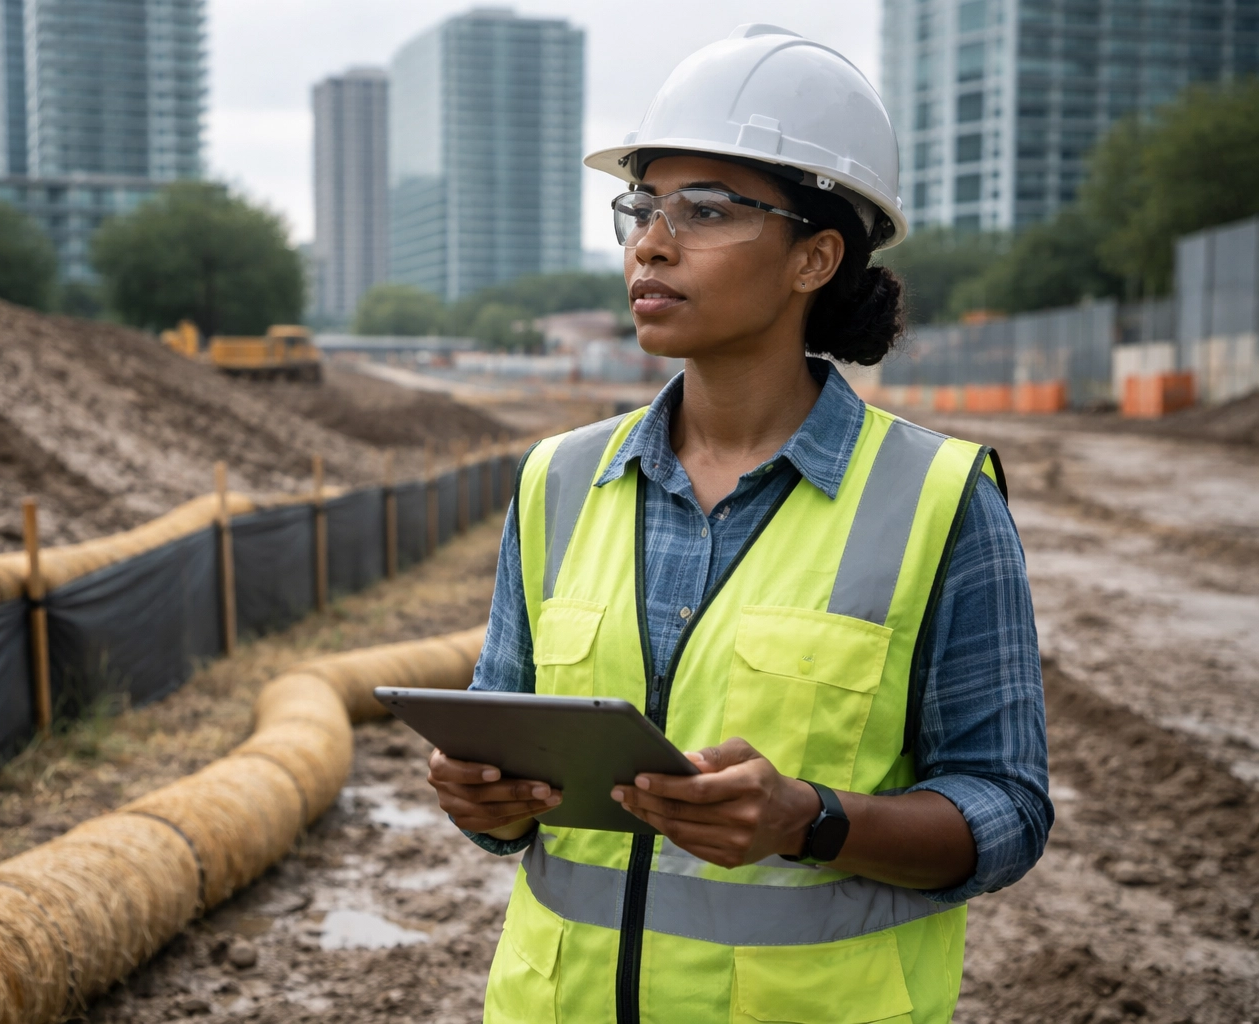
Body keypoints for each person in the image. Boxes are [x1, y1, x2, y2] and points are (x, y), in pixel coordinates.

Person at [425, 24, 1053, 1024]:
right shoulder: (558, 481)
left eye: (706, 210)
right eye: (643, 206)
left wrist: (811, 819)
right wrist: (482, 801)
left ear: (816, 257)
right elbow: (504, 766)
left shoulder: (937, 500)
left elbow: (1006, 810)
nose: (651, 242)